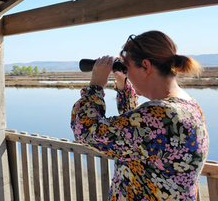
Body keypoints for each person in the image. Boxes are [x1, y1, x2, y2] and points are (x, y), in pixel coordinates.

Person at [71, 31, 209, 200]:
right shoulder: (185, 106)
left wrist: (95, 87)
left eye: (127, 68)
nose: (127, 73)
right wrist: (122, 83)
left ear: (146, 66)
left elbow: (85, 131)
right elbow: (134, 131)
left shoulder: (162, 115)